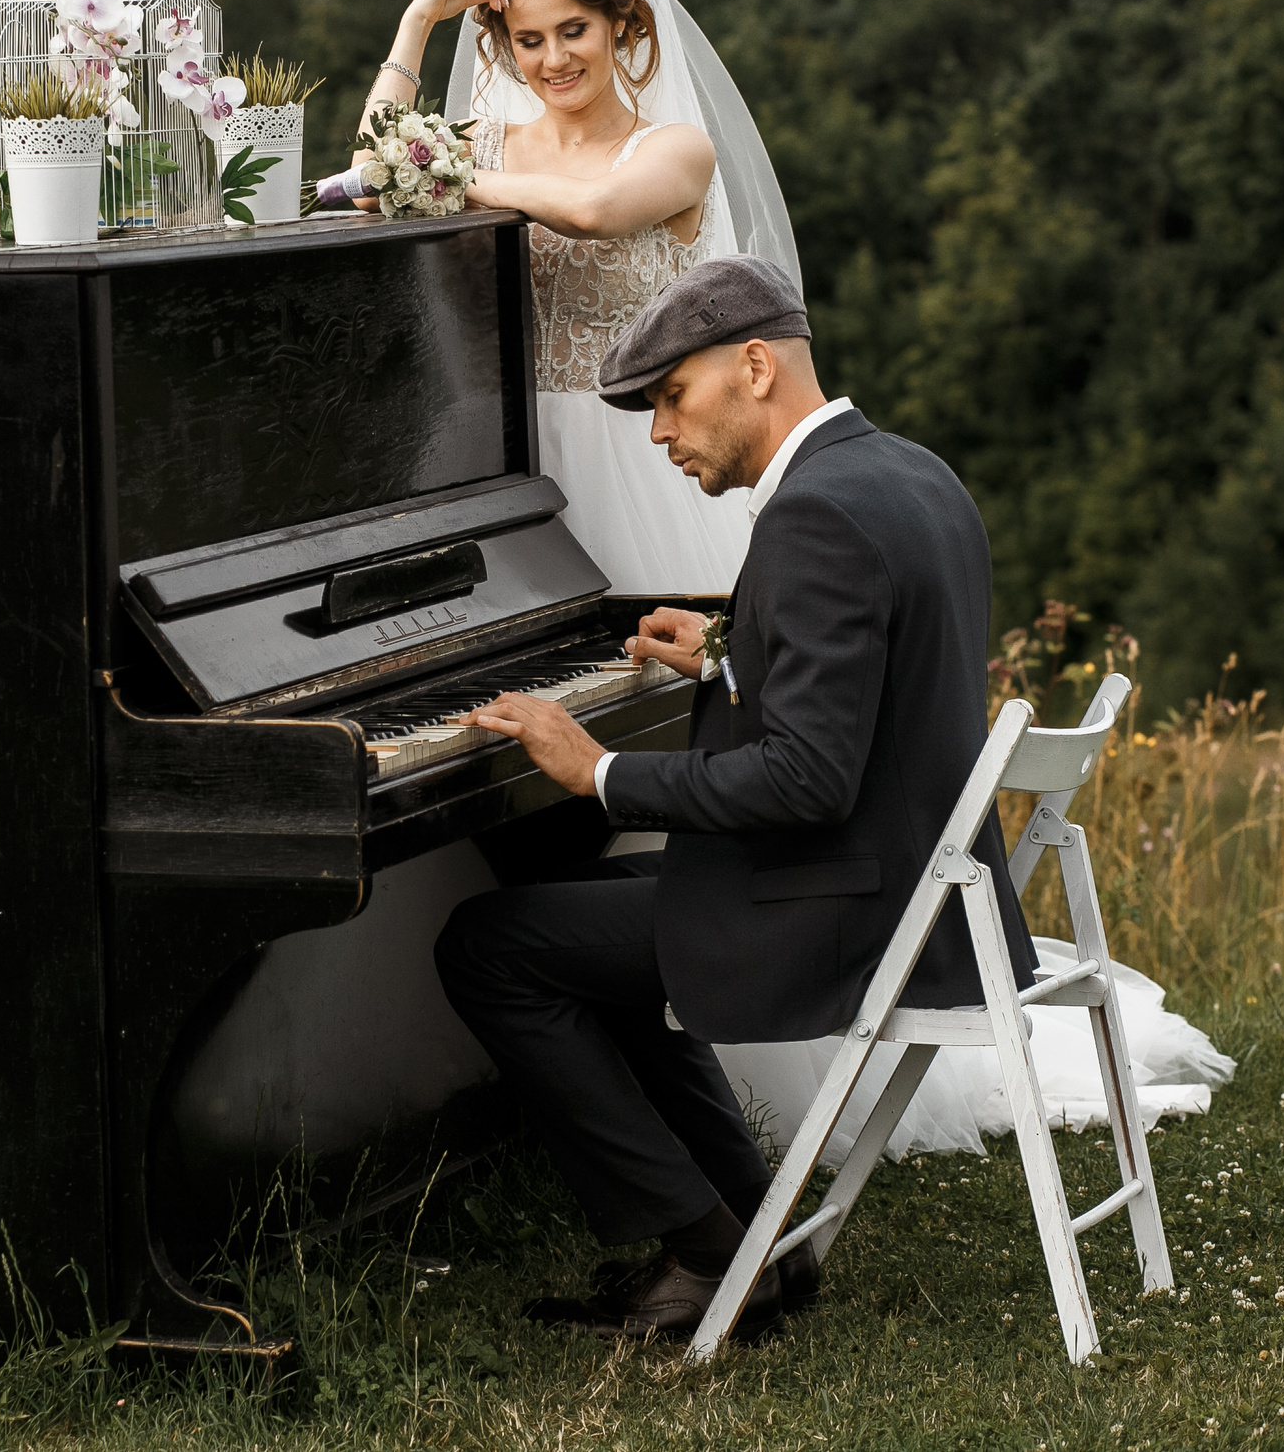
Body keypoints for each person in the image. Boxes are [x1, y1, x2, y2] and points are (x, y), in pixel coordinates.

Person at [432, 254, 1043, 1343]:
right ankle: (753, 1231)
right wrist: (724, 655)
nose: (661, 434)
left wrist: (597, 769)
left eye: (672, 397)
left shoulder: (813, 516)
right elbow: (875, 682)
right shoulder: (907, 474)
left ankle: (712, 1249)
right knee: (579, 908)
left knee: (488, 945)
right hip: (906, 886)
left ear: (753, 367)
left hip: (839, 908)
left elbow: (807, 778)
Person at [358, 0, 798, 596]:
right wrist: (416, 22)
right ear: (504, 44)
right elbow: (366, 182)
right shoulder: (482, 142)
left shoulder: (676, 150)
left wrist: (441, 175)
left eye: (573, 30)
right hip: (493, 464)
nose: (554, 60)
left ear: (619, 22)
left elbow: (592, 212)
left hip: (633, 463)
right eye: (529, 40)